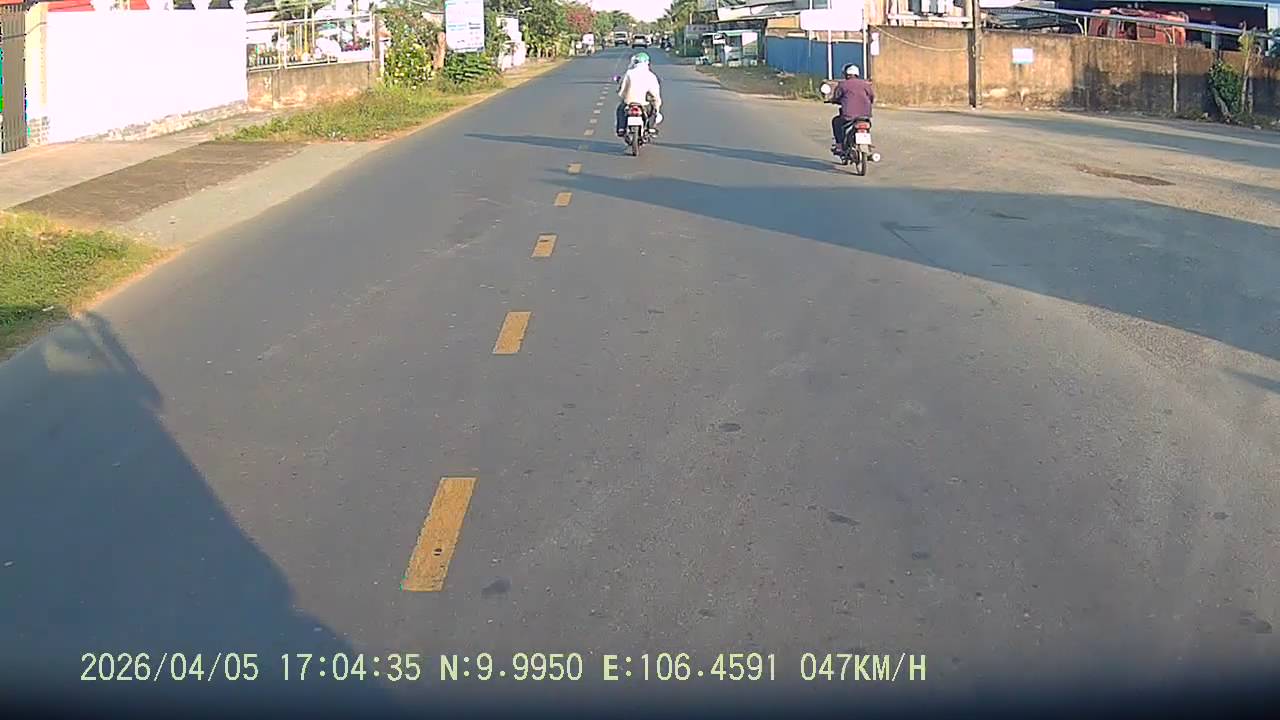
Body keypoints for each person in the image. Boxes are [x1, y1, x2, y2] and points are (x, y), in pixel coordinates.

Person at [829, 63, 874, 154]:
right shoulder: (865, 85)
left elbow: (837, 97)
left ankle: (839, 145)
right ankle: (867, 143)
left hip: (849, 116)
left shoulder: (843, 84)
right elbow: (871, 97)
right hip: (865, 115)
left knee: (836, 122)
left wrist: (833, 100)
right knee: (867, 125)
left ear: (846, 74)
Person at [615, 52, 663, 137]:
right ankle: (651, 128)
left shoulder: (629, 73)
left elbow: (623, 87)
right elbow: (655, 94)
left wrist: (622, 96)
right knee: (653, 110)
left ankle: (621, 128)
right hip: (644, 104)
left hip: (629, 102)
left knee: (620, 110)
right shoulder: (651, 75)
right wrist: (657, 106)